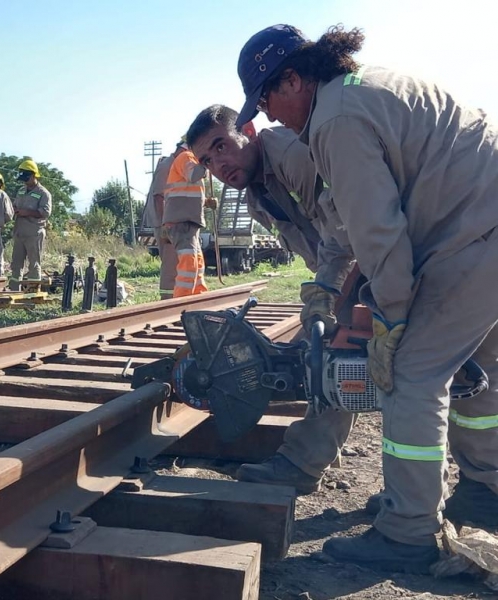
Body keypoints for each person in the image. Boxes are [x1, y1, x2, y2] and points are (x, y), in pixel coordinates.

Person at [235, 23, 498, 572]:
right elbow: (357, 229)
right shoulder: (359, 90)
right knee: (481, 367)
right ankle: (486, 491)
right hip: (479, 224)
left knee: (412, 377)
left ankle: (406, 533)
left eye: (266, 98)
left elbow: (377, 232)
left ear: (293, 78)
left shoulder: (335, 120)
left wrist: (394, 319)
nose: (267, 114)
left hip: (472, 235)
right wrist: (330, 290)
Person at [186, 104, 357, 494]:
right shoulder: (255, 197)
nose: (219, 165)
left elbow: (348, 226)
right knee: (332, 362)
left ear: (247, 129)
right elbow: (318, 247)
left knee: (328, 358)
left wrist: (328, 296)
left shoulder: (291, 155)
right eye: (208, 160)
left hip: (383, 260)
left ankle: (301, 463)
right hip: (353, 269)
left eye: (221, 146)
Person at [163, 141, 211, 297]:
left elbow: (187, 195)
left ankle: (198, 296)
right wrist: (207, 161)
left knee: (197, 262)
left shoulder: (187, 159)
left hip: (188, 222)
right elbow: (193, 175)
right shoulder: (185, 156)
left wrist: (206, 202)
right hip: (181, 222)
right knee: (189, 263)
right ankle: (182, 302)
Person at [9, 159, 52, 291]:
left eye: (27, 178)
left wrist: (27, 212)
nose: (25, 182)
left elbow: (46, 212)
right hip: (20, 232)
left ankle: (33, 291)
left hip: (34, 233)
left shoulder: (43, 193)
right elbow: (15, 205)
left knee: (34, 264)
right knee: (16, 264)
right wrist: (14, 209)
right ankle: (14, 289)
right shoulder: (21, 191)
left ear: (34, 175)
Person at [141, 147, 178, 299]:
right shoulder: (167, 166)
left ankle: (175, 301)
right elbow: (158, 197)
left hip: (171, 223)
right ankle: (168, 303)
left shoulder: (173, 165)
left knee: (176, 265)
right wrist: (165, 227)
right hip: (166, 224)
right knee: (170, 265)